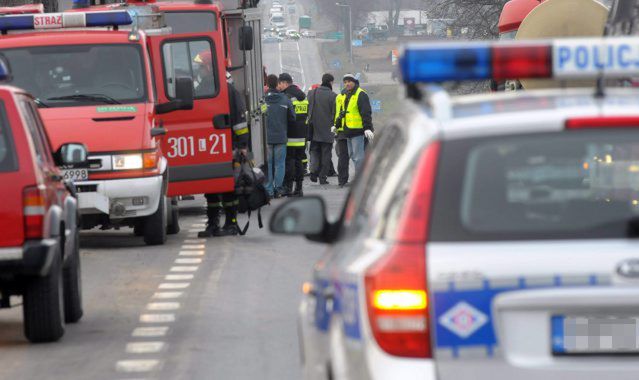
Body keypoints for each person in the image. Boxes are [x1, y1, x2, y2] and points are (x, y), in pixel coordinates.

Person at [199, 70, 250, 238]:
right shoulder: (229, 91)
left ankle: (216, 224)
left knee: (213, 188)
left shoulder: (201, 88)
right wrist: (243, 145)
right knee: (226, 188)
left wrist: (241, 144)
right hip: (226, 146)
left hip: (212, 147)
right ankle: (228, 223)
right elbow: (240, 121)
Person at [334, 73, 373, 186]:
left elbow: (366, 112)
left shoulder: (361, 94)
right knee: (352, 156)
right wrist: (336, 125)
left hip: (358, 131)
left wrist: (367, 128)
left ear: (354, 82)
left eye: (349, 81)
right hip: (348, 132)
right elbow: (343, 113)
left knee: (358, 157)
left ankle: (360, 180)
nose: (347, 84)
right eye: (345, 82)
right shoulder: (347, 94)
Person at [264, 74, 295, 198]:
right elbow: (292, 117)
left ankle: (269, 190)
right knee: (280, 164)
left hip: (266, 137)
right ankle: (278, 189)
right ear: (277, 84)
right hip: (281, 136)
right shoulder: (285, 99)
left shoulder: (263, 99)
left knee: (269, 164)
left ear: (266, 84)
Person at [278, 73, 309, 197]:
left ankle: (289, 187)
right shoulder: (303, 96)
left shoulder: (286, 96)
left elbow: (284, 116)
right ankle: (299, 188)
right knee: (299, 160)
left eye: (280, 84)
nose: (279, 87)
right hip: (302, 134)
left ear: (285, 83)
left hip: (290, 134)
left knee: (289, 161)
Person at [307, 73, 337, 185]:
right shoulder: (333, 96)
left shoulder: (311, 93)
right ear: (330, 82)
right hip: (327, 131)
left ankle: (313, 172)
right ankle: (322, 177)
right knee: (326, 154)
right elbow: (335, 114)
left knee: (314, 152)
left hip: (314, 130)